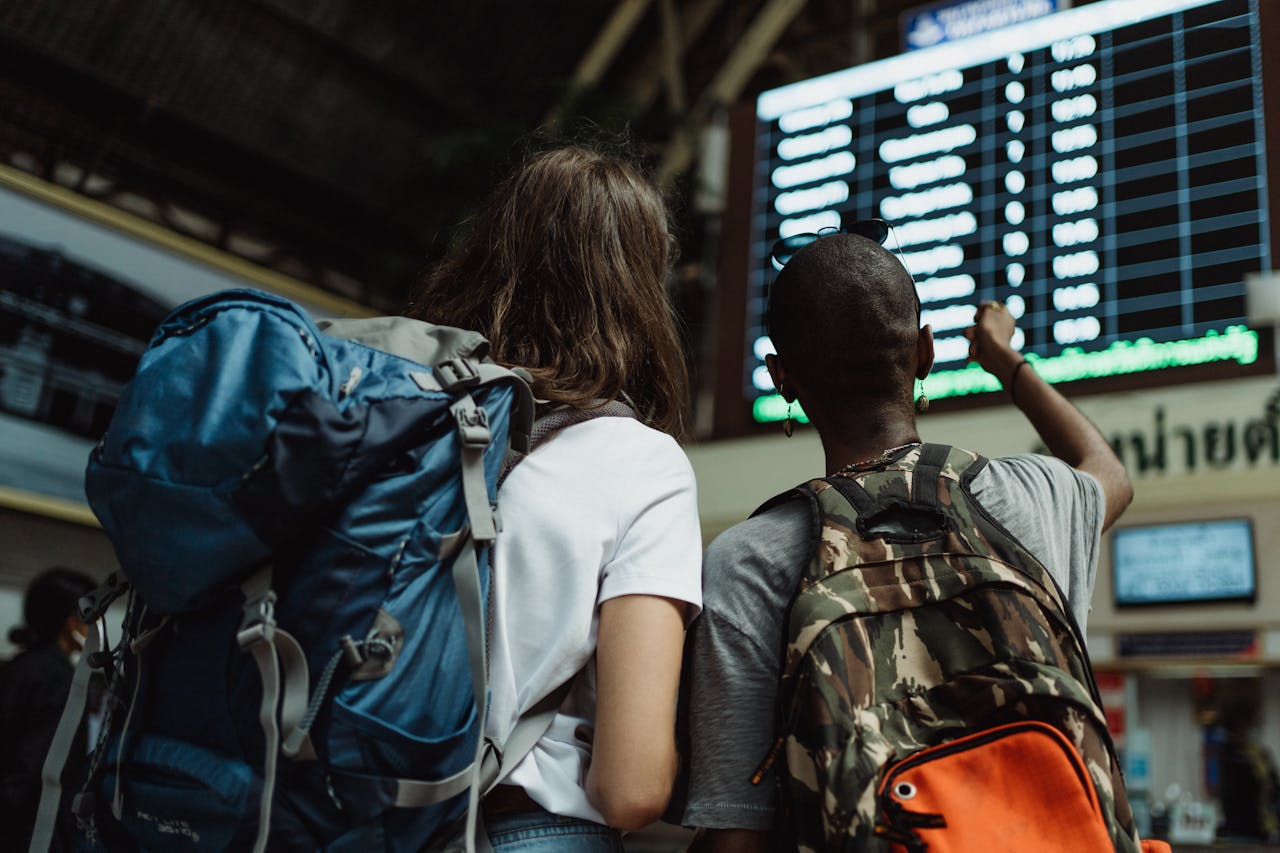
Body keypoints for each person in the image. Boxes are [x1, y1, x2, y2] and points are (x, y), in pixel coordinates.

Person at [669, 227, 1133, 850]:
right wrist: (1004, 361)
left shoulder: (747, 563)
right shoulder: (1028, 499)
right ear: (925, 353)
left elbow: (736, 833)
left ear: (781, 378)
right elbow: (1109, 473)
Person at [405, 145, 702, 850]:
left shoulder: (402, 421)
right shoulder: (644, 465)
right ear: (638, 291)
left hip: (347, 818)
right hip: (525, 825)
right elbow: (629, 789)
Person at [0, 566, 97, 853]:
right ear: (72, 623)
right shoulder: (59, 680)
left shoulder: (18, 666)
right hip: (30, 834)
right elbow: (37, 774)